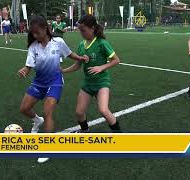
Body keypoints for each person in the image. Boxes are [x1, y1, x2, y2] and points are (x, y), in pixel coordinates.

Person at [17, 15, 88, 163]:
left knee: (48, 111)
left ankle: (47, 148)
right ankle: (37, 121)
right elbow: (29, 66)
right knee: (24, 109)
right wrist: (24, 70)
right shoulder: (33, 47)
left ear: (45, 29)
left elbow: (69, 54)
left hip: (55, 81)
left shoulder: (58, 42)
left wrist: (80, 58)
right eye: (33, 33)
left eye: (37, 32)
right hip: (38, 82)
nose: (35, 35)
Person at [62, 14, 122, 133]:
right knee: (79, 112)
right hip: (88, 83)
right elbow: (78, 65)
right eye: (80, 30)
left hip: (101, 82)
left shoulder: (101, 43)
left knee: (103, 110)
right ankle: (85, 131)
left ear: (92, 28)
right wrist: (63, 71)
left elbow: (116, 60)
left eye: (83, 30)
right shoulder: (81, 45)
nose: (81, 33)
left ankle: (119, 136)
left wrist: (101, 67)